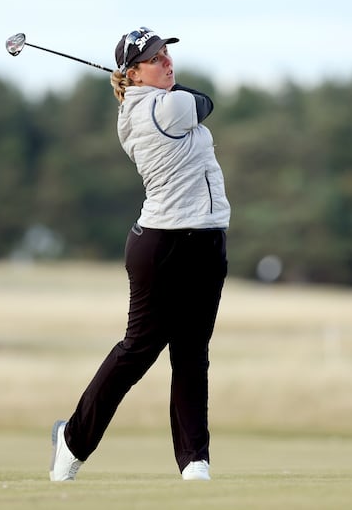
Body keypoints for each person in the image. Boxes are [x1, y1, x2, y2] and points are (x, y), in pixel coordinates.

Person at [49, 27, 230, 482]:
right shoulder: (166, 107)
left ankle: (194, 463)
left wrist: (145, 83)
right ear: (132, 74)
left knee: (192, 352)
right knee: (139, 350)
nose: (167, 62)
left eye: (166, 53)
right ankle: (71, 442)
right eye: (154, 59)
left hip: (203, 239)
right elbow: (206, 101)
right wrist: (158, 88)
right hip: (165, 244)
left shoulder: (141, 106)